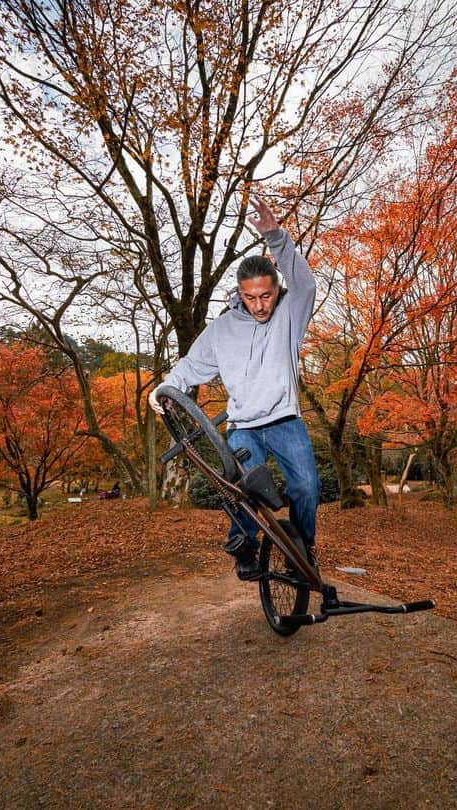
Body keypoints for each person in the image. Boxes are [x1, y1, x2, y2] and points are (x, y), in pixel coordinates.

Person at [149, 197, 320, 580]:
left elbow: (304, 280)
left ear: (277, 289)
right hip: (243, 425)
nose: (260, 305)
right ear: (240, 294)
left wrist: (275, 237)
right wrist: (163, 388)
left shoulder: (291, 313)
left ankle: (303, 549)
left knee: (308, 487)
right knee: (247, 488)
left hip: (285, 421)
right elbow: (190, 367)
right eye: (251, 297)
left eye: (266, 295)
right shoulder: (222, 329)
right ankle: (243, 545)